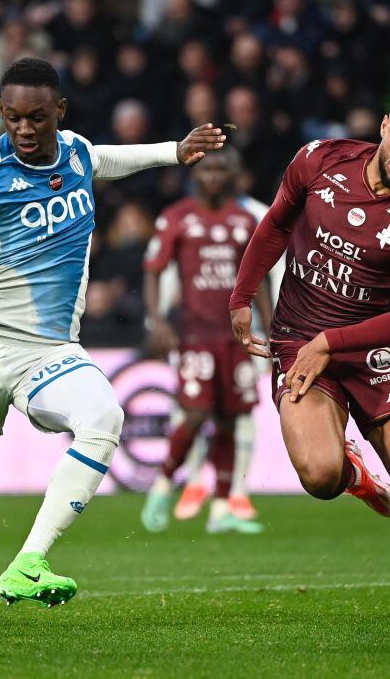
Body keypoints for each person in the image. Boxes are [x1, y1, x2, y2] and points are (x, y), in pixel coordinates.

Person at [0, 57, 225, 607]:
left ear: (59, 112)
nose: (25, 130)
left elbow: (105, 159)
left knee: (103, 417)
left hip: (49, 349)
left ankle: (29, 562)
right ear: (2, 115)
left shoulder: (74, 150)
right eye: (15, 119)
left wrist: (174, 151)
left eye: (38, 118)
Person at [229, 86, 390, 619]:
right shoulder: (320, 160)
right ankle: (356, 477)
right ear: (385, 123)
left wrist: (331, 343)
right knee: (320, 477)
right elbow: (275, 223)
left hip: (373, 351)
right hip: (297, 338)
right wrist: (242, 296)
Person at [140, 146, 272, 535]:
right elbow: (153, 269)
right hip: (196, 335)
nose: (213, 175)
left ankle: (221, 508)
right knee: (196, 415)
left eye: (221, 168)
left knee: (233, 419)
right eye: (206, 168)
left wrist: (268, 326)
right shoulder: (176, 218)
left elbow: (259, 278)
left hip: (236, 338)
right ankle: (163, 483)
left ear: (233, 174)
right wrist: (157, 320)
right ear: (194, 174)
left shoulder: (245, 220)